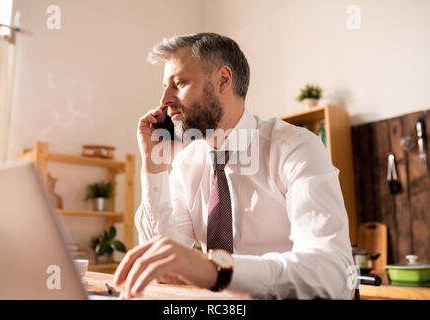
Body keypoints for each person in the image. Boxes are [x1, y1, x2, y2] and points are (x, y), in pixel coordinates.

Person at [113, 32, 355, 300]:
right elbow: (162, 265)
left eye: (179, 83)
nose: (165, 100)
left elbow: (334, 273)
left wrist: (218, 271)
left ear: (223, 80)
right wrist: (153, 165)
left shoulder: (295, 148)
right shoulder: (184, 164)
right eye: (165, 86)